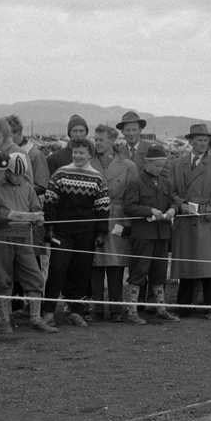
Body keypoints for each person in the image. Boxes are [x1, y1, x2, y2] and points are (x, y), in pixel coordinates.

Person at [43, 136, 110, 329]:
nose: (78, 156)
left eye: (82, 152)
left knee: (82, 272)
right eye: (75, 152)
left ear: (90, 154)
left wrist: (101, 232)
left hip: (86, 233)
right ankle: (48, 312)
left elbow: (103, 207)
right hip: (62, 232)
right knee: (57, 269)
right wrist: (49, 227)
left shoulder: (97, 178)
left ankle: (76, 312)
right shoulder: (60, 173)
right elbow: (50, 201)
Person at [168, 123, 211, 318]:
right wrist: (181, 205)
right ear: (191, 141)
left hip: (207, 222)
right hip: (185, 220)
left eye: (206, 140)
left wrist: (203, 211)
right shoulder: (177, 164)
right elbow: (171, 192)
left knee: (209, 265)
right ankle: (184, 306)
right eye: (199, 140)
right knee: (187, 264)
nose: (203, 143)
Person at [0, 151, 47, 337]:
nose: (18, 178)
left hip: (25, 237)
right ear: (6, 172)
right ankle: (4, 320)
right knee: (2, 279)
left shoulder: (27, 186)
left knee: (35, 276)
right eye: (14, 174)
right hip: (1, 237)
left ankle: (35, 318)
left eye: (21, 174)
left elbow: (36, 208)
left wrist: (37, 217)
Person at [121, 144, 180, 320]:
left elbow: (172, 202)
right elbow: (129, 207)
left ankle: (160, 308)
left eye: (162, 165)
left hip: (162, 234)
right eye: (156, 165)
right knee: (139, 271)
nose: (159, 169)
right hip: (143, 234)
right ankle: (132, 310)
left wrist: (172, 211)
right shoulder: (136, 183)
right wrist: (149, 211)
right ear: (147, 163)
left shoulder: (166, 183)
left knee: (160, 272)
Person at [91, 124, 139, 321]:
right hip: (94, 217)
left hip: (118, 216)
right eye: (96, 140)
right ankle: (97, 309)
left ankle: (117, 309)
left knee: (116, 265)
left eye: (101, 140)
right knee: (94, 263)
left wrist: (128, 223)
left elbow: (133, 197)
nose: (97, 143)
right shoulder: (88, 162)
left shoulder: (128, 166)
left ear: (112, 140)